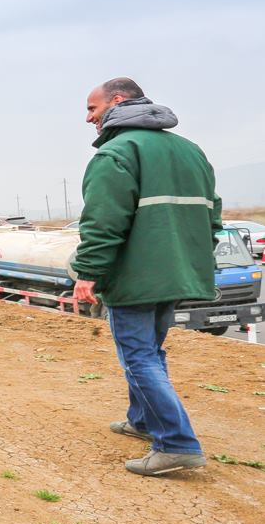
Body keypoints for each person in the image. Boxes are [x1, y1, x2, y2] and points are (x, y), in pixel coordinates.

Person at [72, 77, 218, 478]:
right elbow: (213, 216)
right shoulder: (190, 152)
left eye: (92, 108)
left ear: (118, 102)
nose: (89, 118)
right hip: (177, 273)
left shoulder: (116, 154)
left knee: (138, 356)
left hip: (136, 279)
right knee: (150, 351)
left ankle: (176, 443)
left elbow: (102, 225)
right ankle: (142, 420)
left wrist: (87, 273)